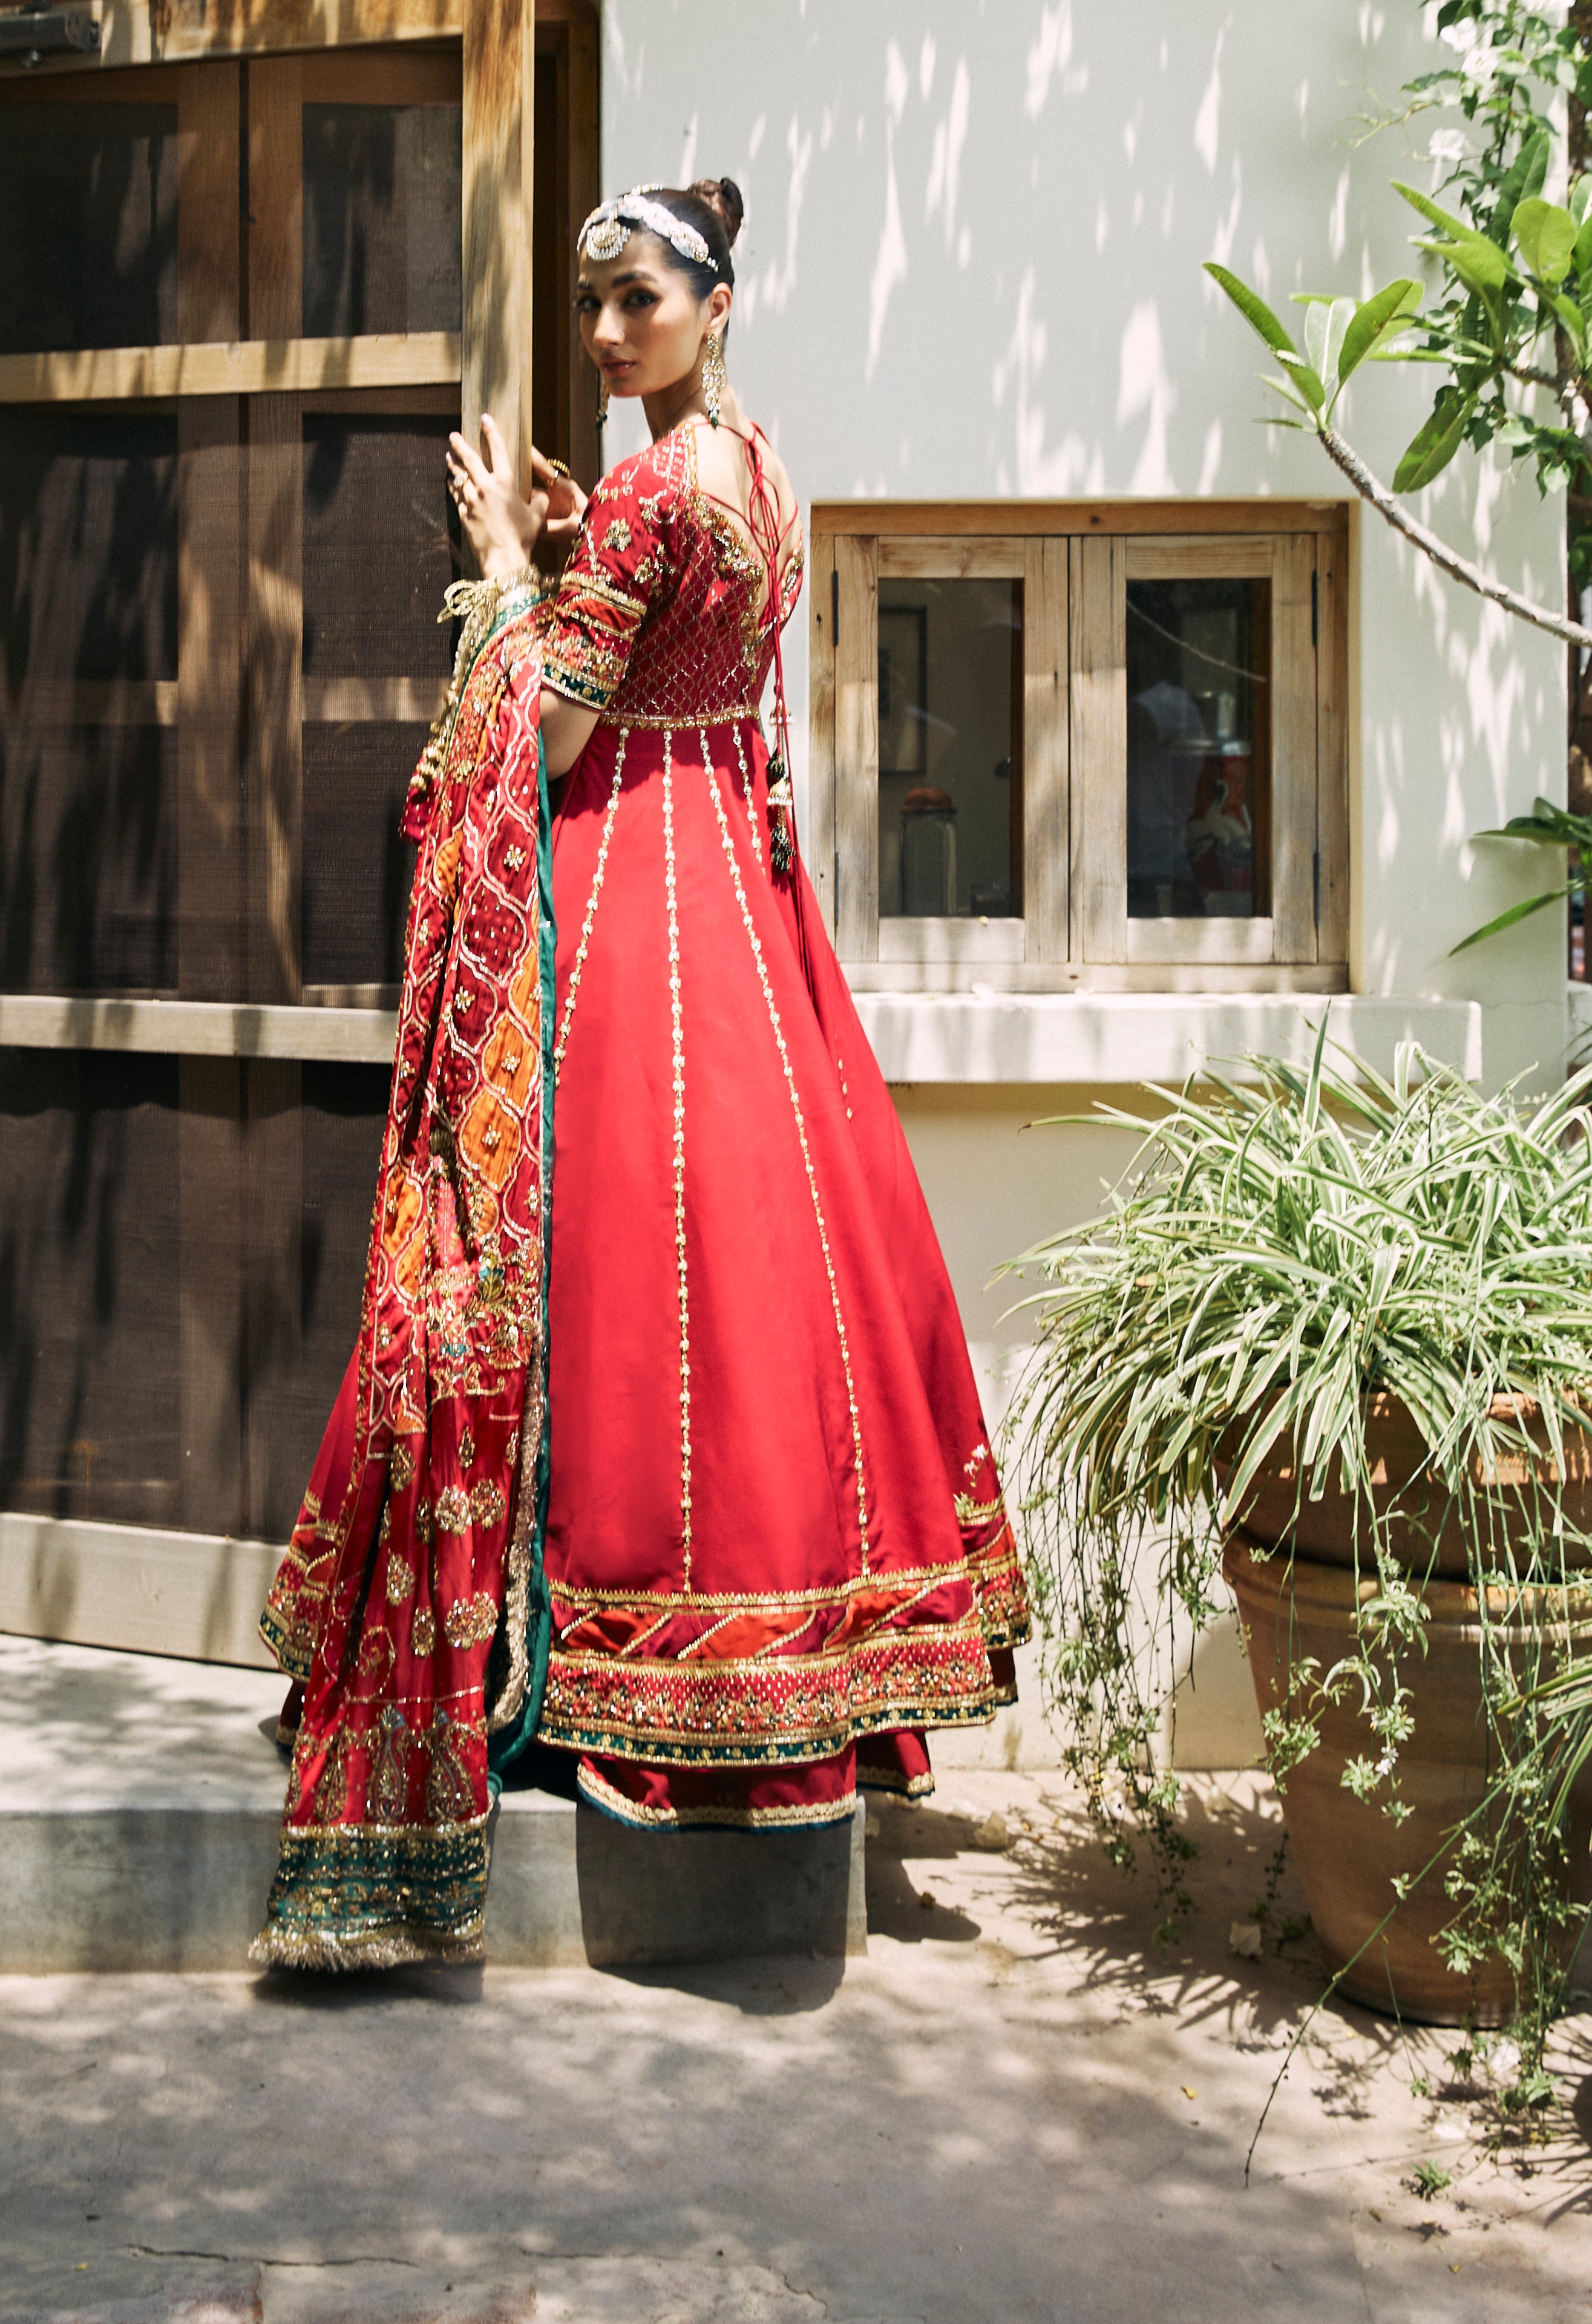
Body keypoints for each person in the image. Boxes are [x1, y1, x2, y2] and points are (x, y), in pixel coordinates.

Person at [254, 177, 1027, 1969]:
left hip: (631, 890)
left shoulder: (649, 489)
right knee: (752, 1270)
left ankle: (585, 1678)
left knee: (602, 1262)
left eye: (643, 301)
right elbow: (694, 639)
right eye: (594, 303)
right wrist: (579, 540)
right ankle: (779, 1669)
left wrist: (521, 578)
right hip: (738, 899)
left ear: (717, 300)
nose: (609, 334)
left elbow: (564, 720)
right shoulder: (753, 468)